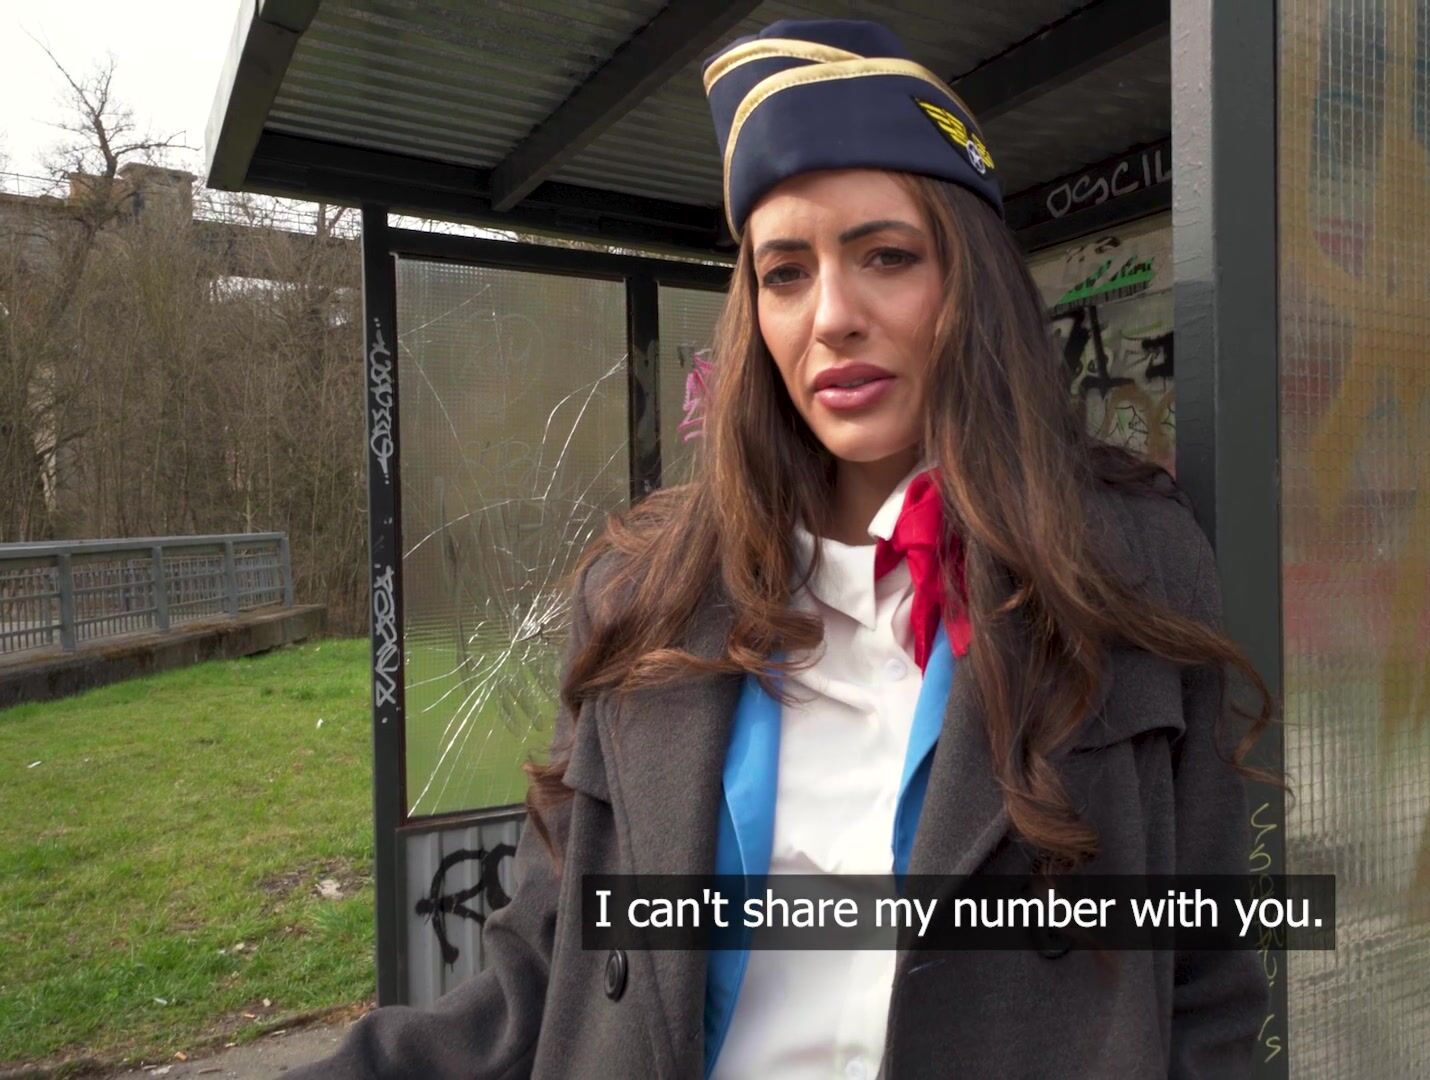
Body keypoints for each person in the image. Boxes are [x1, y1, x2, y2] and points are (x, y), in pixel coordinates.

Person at [288, 17, 1279, 1080]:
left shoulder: (1128, 564)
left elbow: (1207, 985)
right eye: (786, 272)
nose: (832, 317)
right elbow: (541, 977)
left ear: (972, 282)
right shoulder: (644, 596)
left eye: (886, 256)